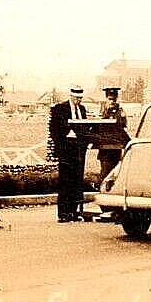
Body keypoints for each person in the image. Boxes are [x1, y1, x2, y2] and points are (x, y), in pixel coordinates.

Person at [48, 86, 89, 222]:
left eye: (80, 98)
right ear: (71, 96)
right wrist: (66, 137)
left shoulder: (82, 109)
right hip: (66, 149)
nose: (78, 100)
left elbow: (85, 127)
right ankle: (63, 213)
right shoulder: (60, 108)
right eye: (76, 98)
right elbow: (54, 129)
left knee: (77, 181)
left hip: (79, 150)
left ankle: (74, 211)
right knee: (65, 181)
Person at [95, 85, 129, 184]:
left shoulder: (120, 111)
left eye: (114, 99)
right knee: (105, 173)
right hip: (105, 149)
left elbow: (123, 126)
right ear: (106, 99)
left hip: (116, 148)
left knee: (115, 174)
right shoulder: (102, 111)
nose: (112, 102)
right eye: (110, 99)